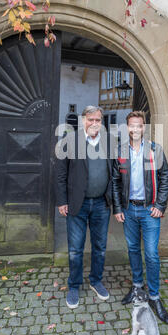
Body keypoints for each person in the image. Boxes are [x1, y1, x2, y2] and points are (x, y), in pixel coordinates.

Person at [112, 111, 168, 323]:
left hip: (149, 211)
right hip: (129, 210)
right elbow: (115, 182)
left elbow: (164, 179)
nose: (135, 129)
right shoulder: (120, 151)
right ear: (126, 128)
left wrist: (160, 205)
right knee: (134, 250)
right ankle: (137, 287)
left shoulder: (154, 150)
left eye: (139, 126)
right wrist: (118, 208)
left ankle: (154, 296)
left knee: (152, 254)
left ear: (143, 128)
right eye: (131, 126)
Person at [56, 106, 113, 309]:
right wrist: (62, 201)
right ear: (83, 121)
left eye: (98, 119)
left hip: (101, 204)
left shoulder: (109, 142)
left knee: (100, 247)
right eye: (91, 119)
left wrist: (114, 202)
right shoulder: (69, 142)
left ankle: (96, 281)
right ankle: (74, 285)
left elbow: (114, 172)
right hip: (76, 204)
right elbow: (61, 174)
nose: (95, 123)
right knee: (75, 249)